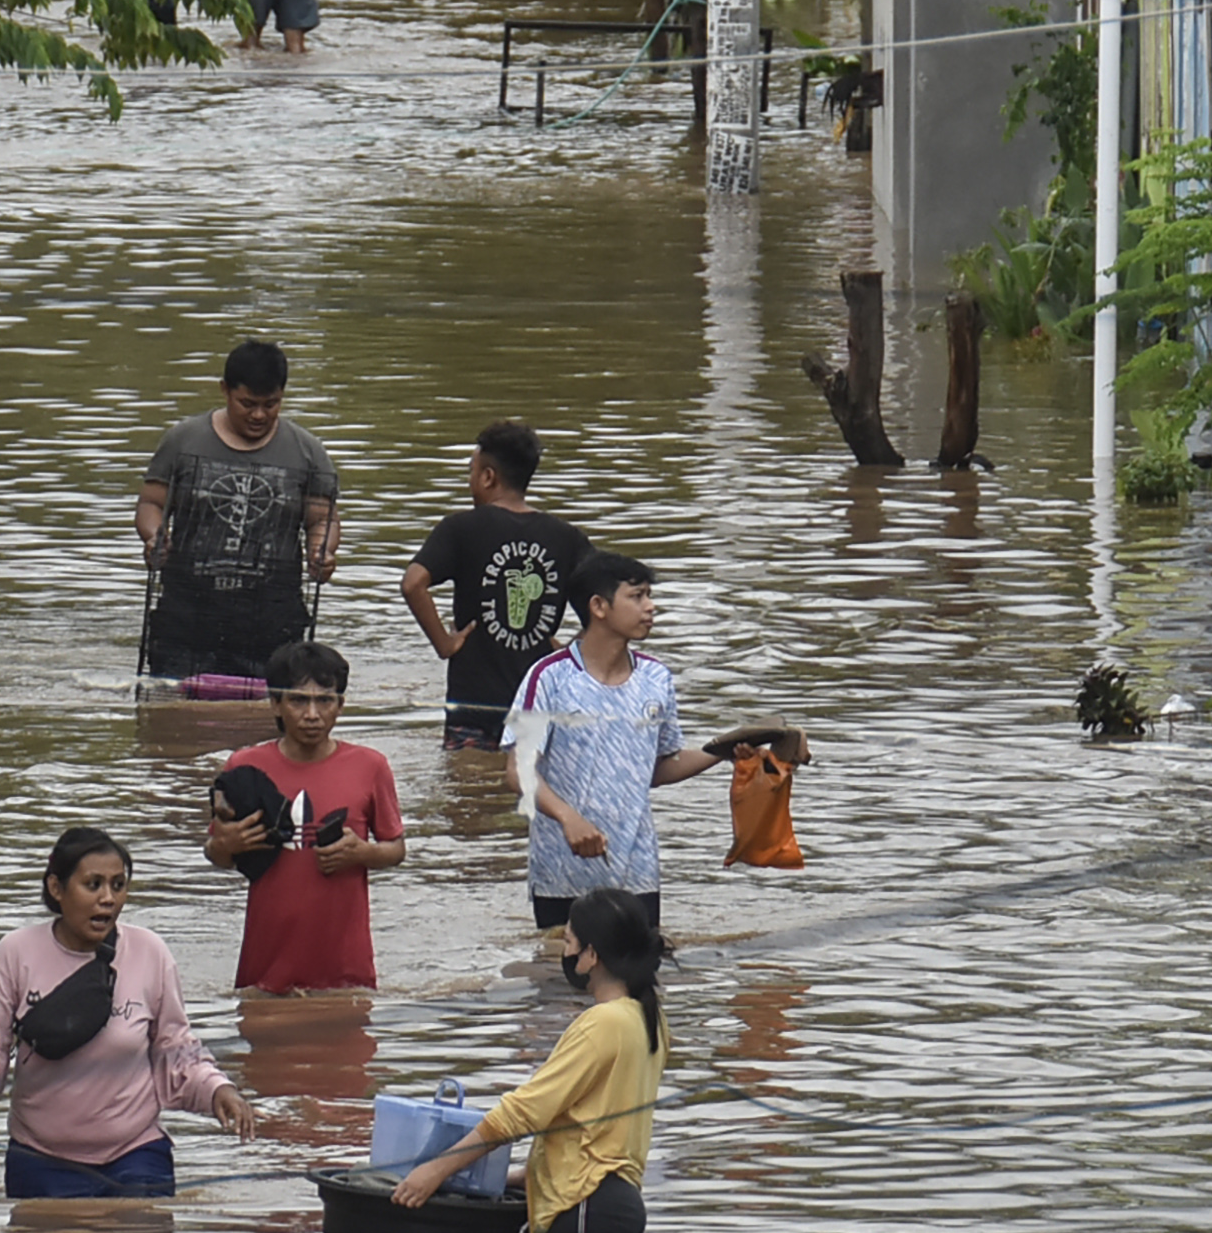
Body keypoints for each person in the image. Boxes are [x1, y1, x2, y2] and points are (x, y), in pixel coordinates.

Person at [509, 553, 803, 956]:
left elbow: (660, 767)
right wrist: (568, 818)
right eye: (637, 596)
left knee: (640, 976)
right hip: (562, 872)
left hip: (638, 869)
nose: (651, 607)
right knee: (564, 981)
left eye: (649, 595)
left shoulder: (655, 678)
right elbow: (517, 770)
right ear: (599, 606)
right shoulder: (547, 677)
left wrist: (725, 751)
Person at [0, 826, 254, 1198]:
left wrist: (219, 1089)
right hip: (39, 1157)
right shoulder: (15, 954)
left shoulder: (150, 953)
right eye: (93, 885)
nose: (108, 898)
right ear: (56, 888)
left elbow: (177, 1051)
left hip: (136, 1154)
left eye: (118, 885)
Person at [391, 887, 666, 1233]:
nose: (565, 953)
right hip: (614, 1201)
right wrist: (522, 1178)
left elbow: (522, 1112)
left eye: (568, 942)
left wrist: (436, 1170)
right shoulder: (649, 1019)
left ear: (591, 955)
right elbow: (599, 1130)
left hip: (584, 1203)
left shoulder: (603, 1022)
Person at [204, 640, 403, 992]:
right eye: (298, 701)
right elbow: (217, 852)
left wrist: (362, 852)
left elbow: (396, 848)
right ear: (275, 704)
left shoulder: (370, 766)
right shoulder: (244, 768)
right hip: (265, 966)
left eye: (324, 701)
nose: (312, 714)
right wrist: (225, 845)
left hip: (346, 969)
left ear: (340, 705)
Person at [136, 338, 340, 681]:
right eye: (247, 404)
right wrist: (155, 536)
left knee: (268, 706)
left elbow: (323, 518)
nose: (259, 415)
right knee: (175, 705)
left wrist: (323, 550)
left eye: (271, 404)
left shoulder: (307, 451)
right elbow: (151, 503)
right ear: (225, 390)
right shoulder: (183, 440)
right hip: (187, 614)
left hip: (273, 618)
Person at [403, 420, 596, 752]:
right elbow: (605, 608)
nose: (470, 480)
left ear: (488, 476)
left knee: (470, 783)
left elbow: (412, 584)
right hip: (538, 703)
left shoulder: (460, 528)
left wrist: (444, 644)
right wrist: (568, 655)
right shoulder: (567, 538)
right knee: (529, 782)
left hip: (472, 704)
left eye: (471, 471)